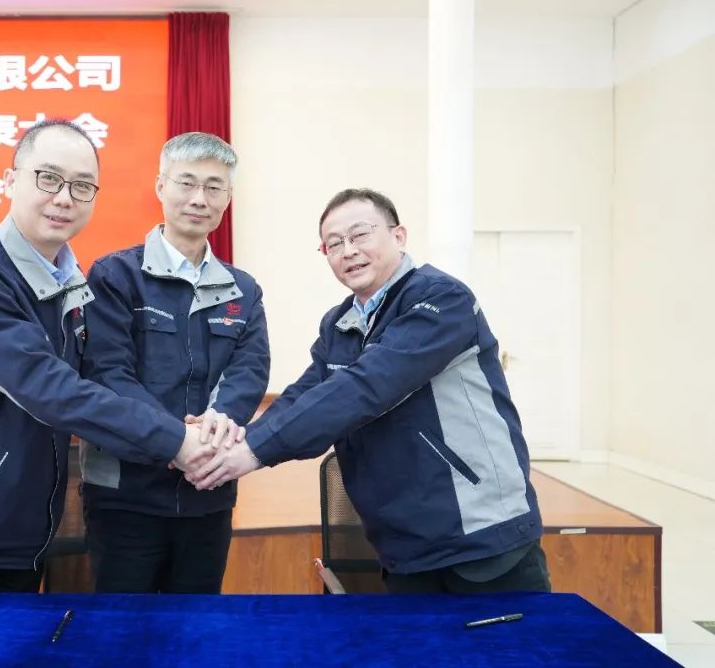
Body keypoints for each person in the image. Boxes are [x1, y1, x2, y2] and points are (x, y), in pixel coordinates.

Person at [0, 120, 237, 593]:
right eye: (48, 178)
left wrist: (191, 433)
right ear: (11, 180)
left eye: (82, 186)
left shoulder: (70, 282)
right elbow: (50, 390)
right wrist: (176, 441)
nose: (64, 198)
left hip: (21, 531)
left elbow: (103, 378)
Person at [189, 188, 551, 595]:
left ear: (399, 236)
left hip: (482, 539)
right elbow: (305, 394)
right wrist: (236, 438)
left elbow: (366, 387)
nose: (348, 251)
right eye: (334, 243)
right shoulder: (340, 322)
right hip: (404, 547)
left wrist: (252, 452)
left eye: (360, 234)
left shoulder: (441, 299)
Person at [81, 132, 270, 594]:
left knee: (196, 621)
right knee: (123, 624)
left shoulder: (243, 289)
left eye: (214, 186)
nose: (199, 198)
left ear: (228, 197)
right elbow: (109, 372)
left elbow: (249, 371)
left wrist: (215, 426)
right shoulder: (115, 275)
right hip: (125, 494)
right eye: (186, 183)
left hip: (209, 488)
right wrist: (176, 441)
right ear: (161, 186)